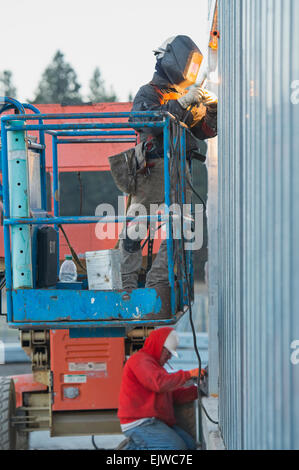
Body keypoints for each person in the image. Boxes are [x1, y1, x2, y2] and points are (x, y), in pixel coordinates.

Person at [120, 35, 218, 291]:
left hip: (178, 171)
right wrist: (180, 104)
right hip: (152, 170)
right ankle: (127, 286)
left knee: (179, 230)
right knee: (135, 229)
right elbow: (144, 121)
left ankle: (158, 282)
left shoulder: (184, 96)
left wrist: (212, 108)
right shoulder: (149, 93)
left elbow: (205, 130)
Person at [117, 327, 203, 450]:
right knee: (174, 447)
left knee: (189, 445)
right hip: (140, 423)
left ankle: (136, 445)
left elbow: (173, 394)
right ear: (159, 347)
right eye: (168, 353)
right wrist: (188, 374)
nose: (169, 358)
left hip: (154, 421)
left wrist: (198, 391)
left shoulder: (155, 366)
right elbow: (159, 383)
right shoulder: (140, 361)